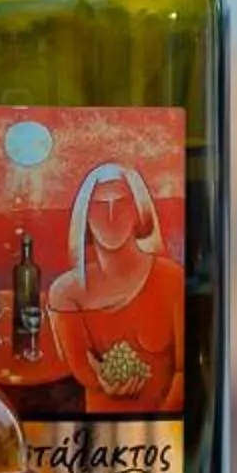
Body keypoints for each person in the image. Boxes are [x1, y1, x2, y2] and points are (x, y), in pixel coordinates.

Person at [47, 161, 184, 412]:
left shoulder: (172, 278)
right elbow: (83, 369)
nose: (111, 217)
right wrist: (101, 379)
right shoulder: (66, 292)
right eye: (99, 207)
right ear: (85, 217)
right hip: (95, 430)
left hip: (164, 430)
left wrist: (159, 425)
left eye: (121, 204)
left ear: (138, 211)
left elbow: (184, 371)